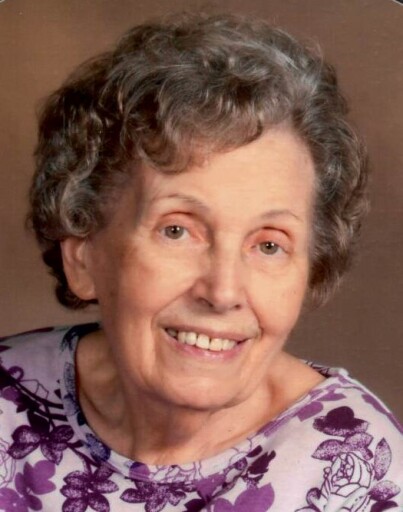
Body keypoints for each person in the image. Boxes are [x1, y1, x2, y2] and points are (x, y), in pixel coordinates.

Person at [0, 12, 401, 512]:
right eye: (177, 230)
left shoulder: (359, 471)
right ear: (83, 256)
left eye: (269, 245)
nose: (223, 291)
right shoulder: (8, 405)